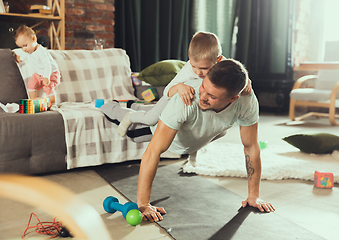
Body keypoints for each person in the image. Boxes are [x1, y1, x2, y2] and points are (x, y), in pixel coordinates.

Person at [129, 59, 275, 222]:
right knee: (128, 123)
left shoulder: (245, 101)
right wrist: (143, 203)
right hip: (151, 129)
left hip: (190, 137)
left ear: (233, 98)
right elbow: (153, 150)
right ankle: (120, 106)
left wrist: (254, 195)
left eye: (211, 96)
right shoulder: (187, 97)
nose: (202, 97)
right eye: (203, 87)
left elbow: (251, 146)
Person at [113, 31, 252, 138]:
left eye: (204, 69)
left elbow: (238, 75)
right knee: (150, 119)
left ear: (218, 60)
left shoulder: (224, 65)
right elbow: (167, 90)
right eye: (194, 66)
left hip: (190, 103)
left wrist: (246, 83)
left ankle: (193, 150)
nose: (198, 72)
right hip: (171, 96)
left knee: (217, 131)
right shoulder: (187, 70)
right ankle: (129, 117)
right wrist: (180, 87)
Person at [13, 25, 60, 104]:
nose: (24, 49)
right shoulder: (28, 51)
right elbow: (22, 57)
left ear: (34, 39)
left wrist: (46, 77)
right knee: (31, 84)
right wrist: (18, 58)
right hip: (39, 73)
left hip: (51, 72)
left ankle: (52, 103)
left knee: (47, 87)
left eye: (25, 45)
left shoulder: (41, 52)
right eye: (21, 47)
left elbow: (47, 64)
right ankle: (33, 101)